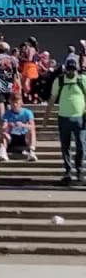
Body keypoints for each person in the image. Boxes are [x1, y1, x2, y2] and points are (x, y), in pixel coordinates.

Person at [47, 55, 86, 185]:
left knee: (81, 145)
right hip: (64, 117)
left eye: (73, 69)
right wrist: (46, 117)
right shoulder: (60, 80)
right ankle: (68, 171)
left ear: (77, 69)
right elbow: (52, 98)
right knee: (65, 146)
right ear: (65, 69)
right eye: (69, 69)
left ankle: (79, 170)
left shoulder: (83, 80)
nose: (71, 71)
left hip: (80, 117)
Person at [0, 94, 37, 163]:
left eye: (16, 103)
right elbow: (3, 127)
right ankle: (3, 152)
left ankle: (32, 152)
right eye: (13, 103)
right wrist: (9, 125)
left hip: (24, 137)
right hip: (12, 137)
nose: (15, 105)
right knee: (4, 133)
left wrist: (23, 125)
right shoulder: (7, 113)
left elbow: (32, 126)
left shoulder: (27, 112)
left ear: (21, 103)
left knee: (32, 131)